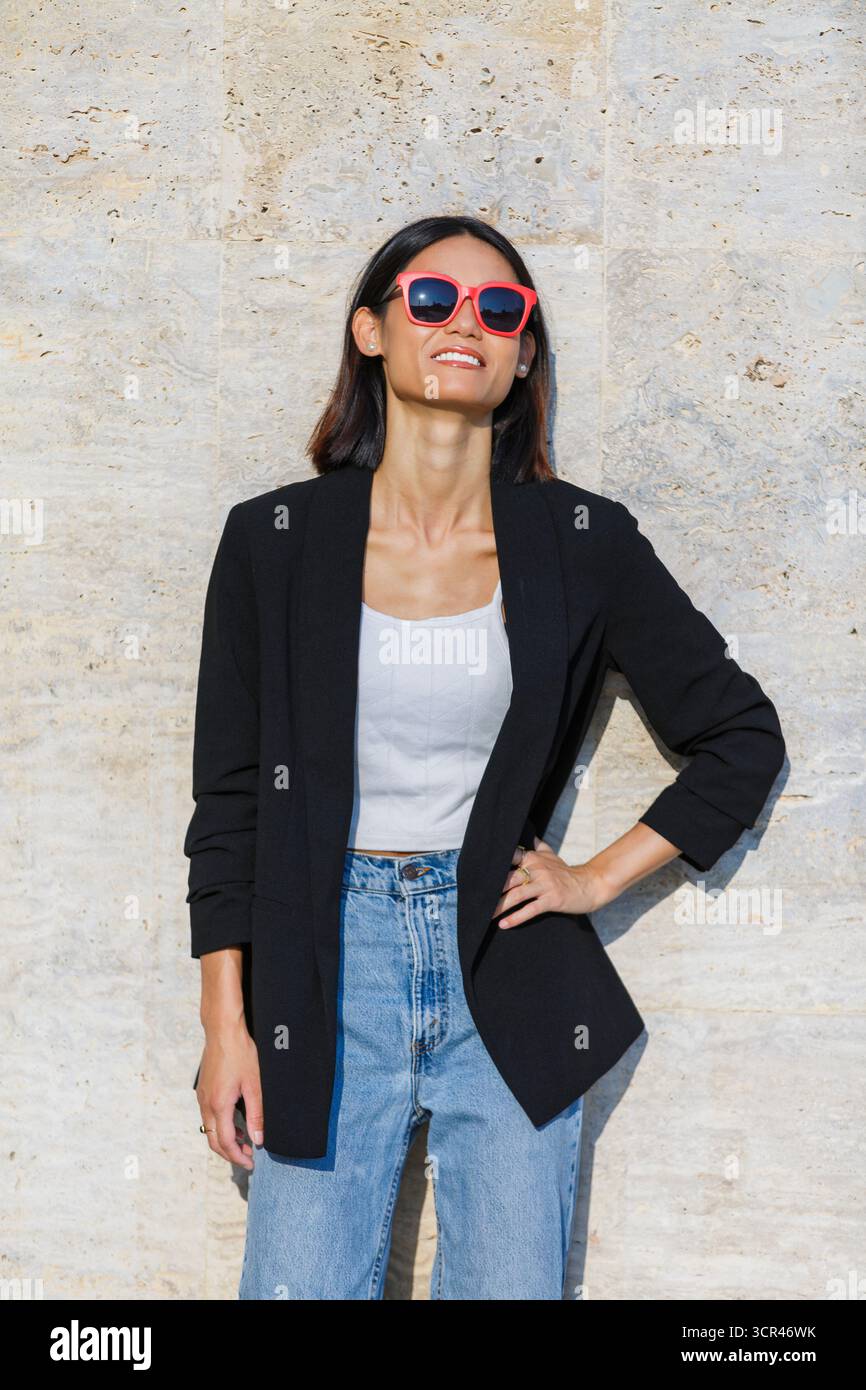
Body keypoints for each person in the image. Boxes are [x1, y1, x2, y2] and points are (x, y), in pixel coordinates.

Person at [185, 214, 786, 1300]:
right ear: (370, 330)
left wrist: (592, 876)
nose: (465, 322)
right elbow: (228, 802)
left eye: (498, 309)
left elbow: (738, 737)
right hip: (323, 970)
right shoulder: (271, 541)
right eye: (432, 300)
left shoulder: (581, 543)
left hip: (503, 969)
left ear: (520, 354)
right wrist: (224, 1024)